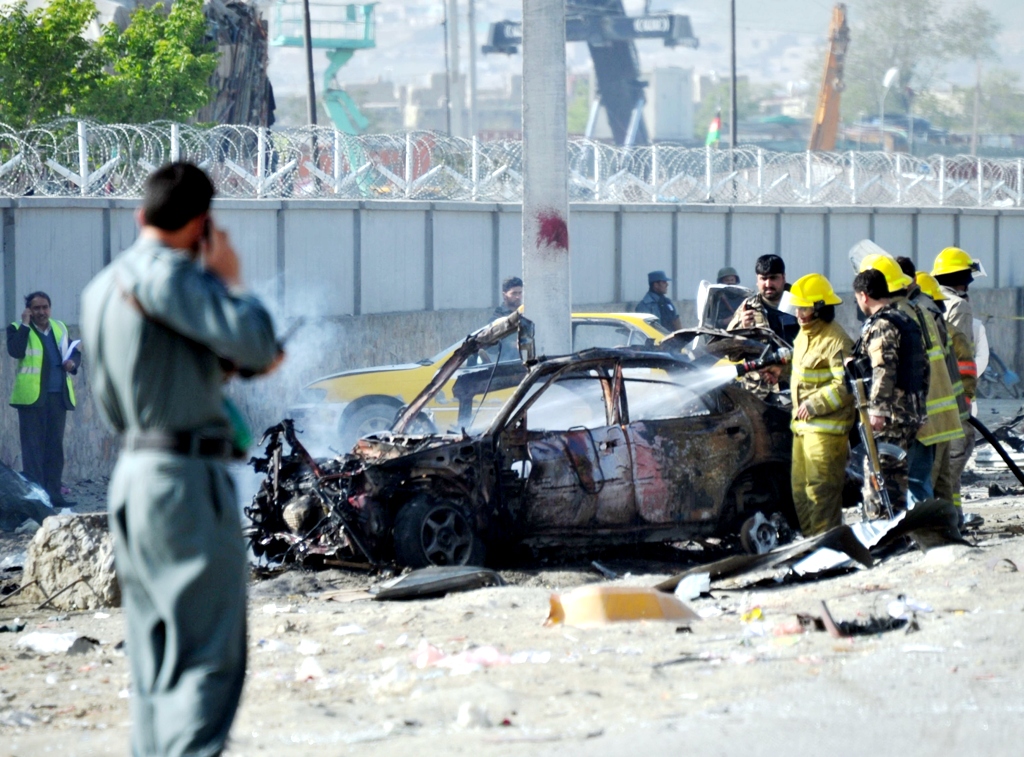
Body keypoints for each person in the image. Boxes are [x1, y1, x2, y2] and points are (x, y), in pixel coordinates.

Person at [80, 163, 281, 756]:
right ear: (201, 224)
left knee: (155, 661)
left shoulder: (101, 287)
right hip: (185, 481)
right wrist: (230, 278)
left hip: (133, 476)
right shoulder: (174, 278)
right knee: (208, 657)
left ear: (141, 216)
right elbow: (258, 344)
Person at [859, 254, 963, 506]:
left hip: (911, 415)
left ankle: (925, 536)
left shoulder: (892, 319)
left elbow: (886, 368)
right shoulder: (920, 310)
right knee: (933, 484)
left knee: (911, 486)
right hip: (936, 412)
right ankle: (945, 532)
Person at [849, 268, 927, 515]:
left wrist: (878, 410)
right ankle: (896, 529)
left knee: (880, 474)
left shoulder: (883, 325)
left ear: (863, 296)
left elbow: (884, 368)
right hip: (909, 411)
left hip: (892, 414)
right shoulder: (904, 319)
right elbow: (925, 367)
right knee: (895, 475)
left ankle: (884, 530)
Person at [788, 274, 854, 535]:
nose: (798, 313)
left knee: (821, 490)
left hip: (826, 430)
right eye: (797, 307)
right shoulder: (803, 336)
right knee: (799, 489)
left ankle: (827, 546)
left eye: (804, 308)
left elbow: (845, 386)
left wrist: (814, 404)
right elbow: (804, 375)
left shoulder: (836, 340)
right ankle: (810, 544)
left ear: (819, 308)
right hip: (802, 427)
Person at [7, 291, 80, 506]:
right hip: (31, 400)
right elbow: (16, 351)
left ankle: (54, 495)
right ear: (29, 310)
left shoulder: (59, 328)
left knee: (54, 448)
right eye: (36, 308)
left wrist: (73, 363)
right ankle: (37, 500)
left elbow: (75, 352)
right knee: (33, 451)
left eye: (45, 307)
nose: (41, 312)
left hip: (58, 397)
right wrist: (25, 324)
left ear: (50, 308)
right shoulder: (18, 329)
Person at [931, 247, 981, 524]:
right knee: (953, 460)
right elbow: (961, 355)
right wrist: (966, 396)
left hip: (938, 398)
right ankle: (949, 517)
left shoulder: (936, 303)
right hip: (954, 397)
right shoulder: (958, 307)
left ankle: (953, 515)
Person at [726, 254, 798, 343]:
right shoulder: (748, 307)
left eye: (773, 278)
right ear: (757, 280)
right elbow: (729, 346)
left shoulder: (799, 302)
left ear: (783, 277)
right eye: (763, 279)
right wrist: (744, 328)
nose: (768, 284)